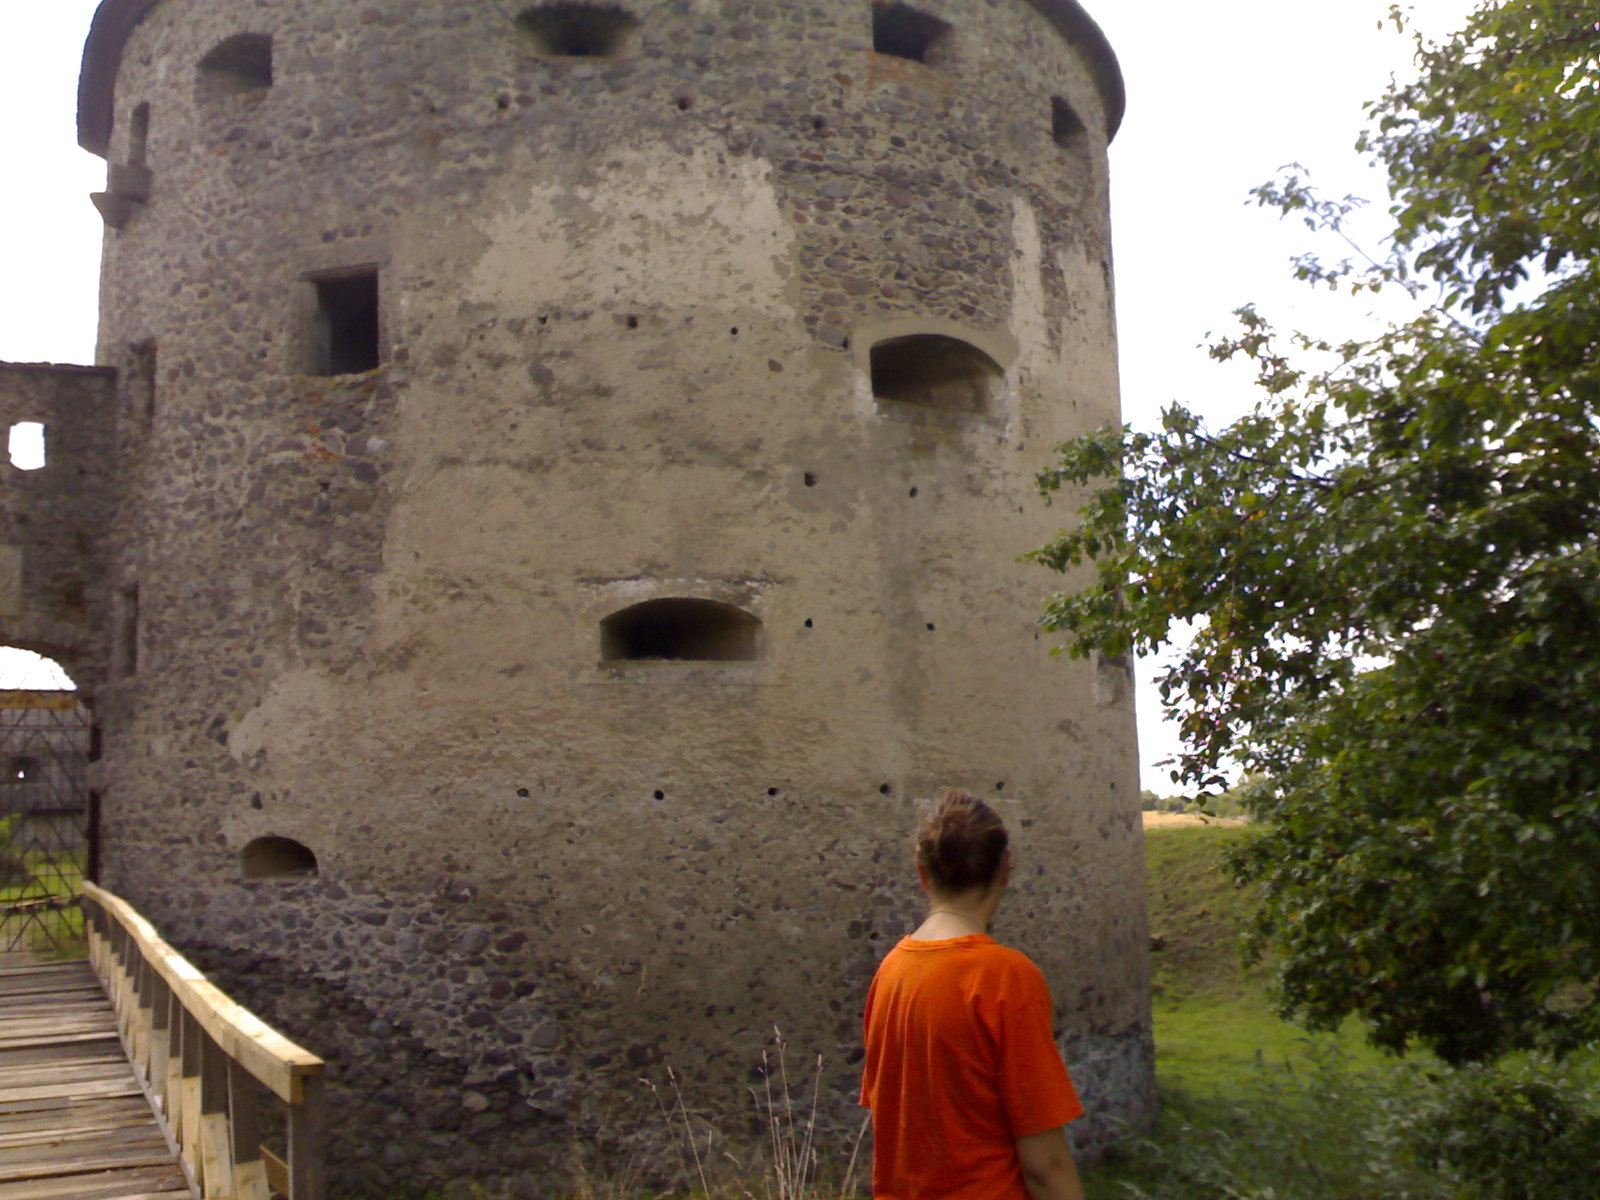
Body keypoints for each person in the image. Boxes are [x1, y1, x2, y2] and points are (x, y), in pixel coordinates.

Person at [860, 789, 1085, 1200]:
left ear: (922, 872)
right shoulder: (1004, 978)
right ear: (1006, 870)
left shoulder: (891, 972)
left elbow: (892, 1118)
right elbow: (1044, 1164)